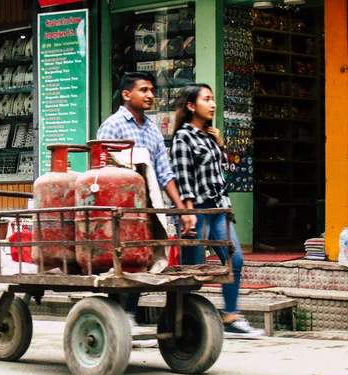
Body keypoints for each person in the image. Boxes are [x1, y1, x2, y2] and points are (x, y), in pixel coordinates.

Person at [96, 72, 196, 324]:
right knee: (120, 260)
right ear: (126, 94)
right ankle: (117, 314)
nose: (150, 95)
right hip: (119, 210)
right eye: (144, 90)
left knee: (142, 259)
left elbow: (164, 172)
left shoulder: (152, 129)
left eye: (151, 90)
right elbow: (101, 171)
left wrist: (182, 208)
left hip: (148, 209)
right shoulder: (113, 126)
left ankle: (129, 313)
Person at [170, 83, 263, 338]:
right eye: (206, 99)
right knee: (191, 268)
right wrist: (187, 212)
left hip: (219, 209)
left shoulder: (210, 136)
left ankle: (231, 316)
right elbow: (183, 177)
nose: (213, 104)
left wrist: (220, 143)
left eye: (213, 99)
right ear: (191, 106)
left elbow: (222, 171)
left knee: (235, 259)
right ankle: (178, 319)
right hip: (198, 211)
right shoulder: (183, 137)